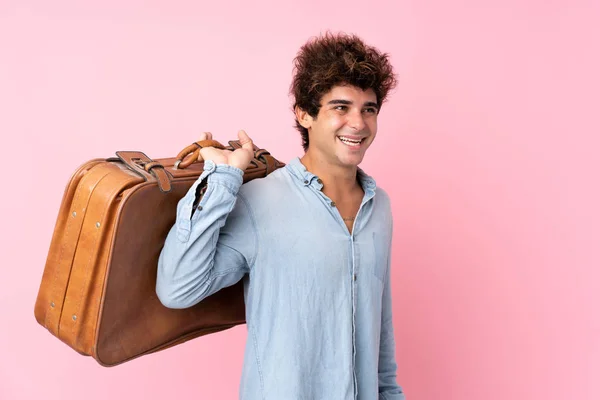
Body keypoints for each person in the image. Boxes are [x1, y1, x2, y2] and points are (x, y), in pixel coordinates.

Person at [156, 32, 405, 400]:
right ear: (304, 114)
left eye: (369, 109)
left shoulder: (379, 206)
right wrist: (222, 180)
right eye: (341, 107)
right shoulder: (260, 201)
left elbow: (379, 329)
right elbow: (177, 289)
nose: (359, 123)